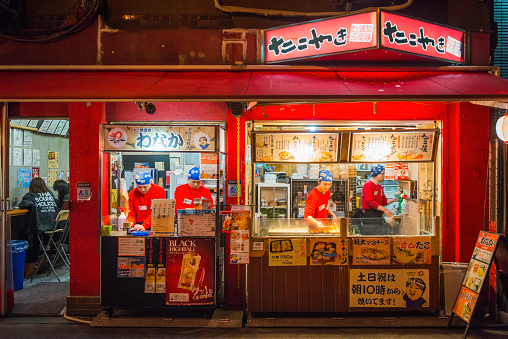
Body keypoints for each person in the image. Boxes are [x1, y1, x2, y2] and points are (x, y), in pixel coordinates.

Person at [19, 177, 59, 263]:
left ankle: (30, 258)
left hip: (40, 227)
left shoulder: (30, 196)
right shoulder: (50, 194)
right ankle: (38, 254)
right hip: (54, 226)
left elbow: (24, 204)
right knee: (35, 233)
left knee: (22, 232)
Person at [361, 164, 397, 235]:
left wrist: (396, 199)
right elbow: (370, 202)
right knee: (372, 237)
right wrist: (384, 209)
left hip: (378, 215)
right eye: (384, 174)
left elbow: (384, 201)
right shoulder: (368, 184)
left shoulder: (379, 186)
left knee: (379, 236)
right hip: (370, 216)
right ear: (379, 174)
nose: (385, 177)